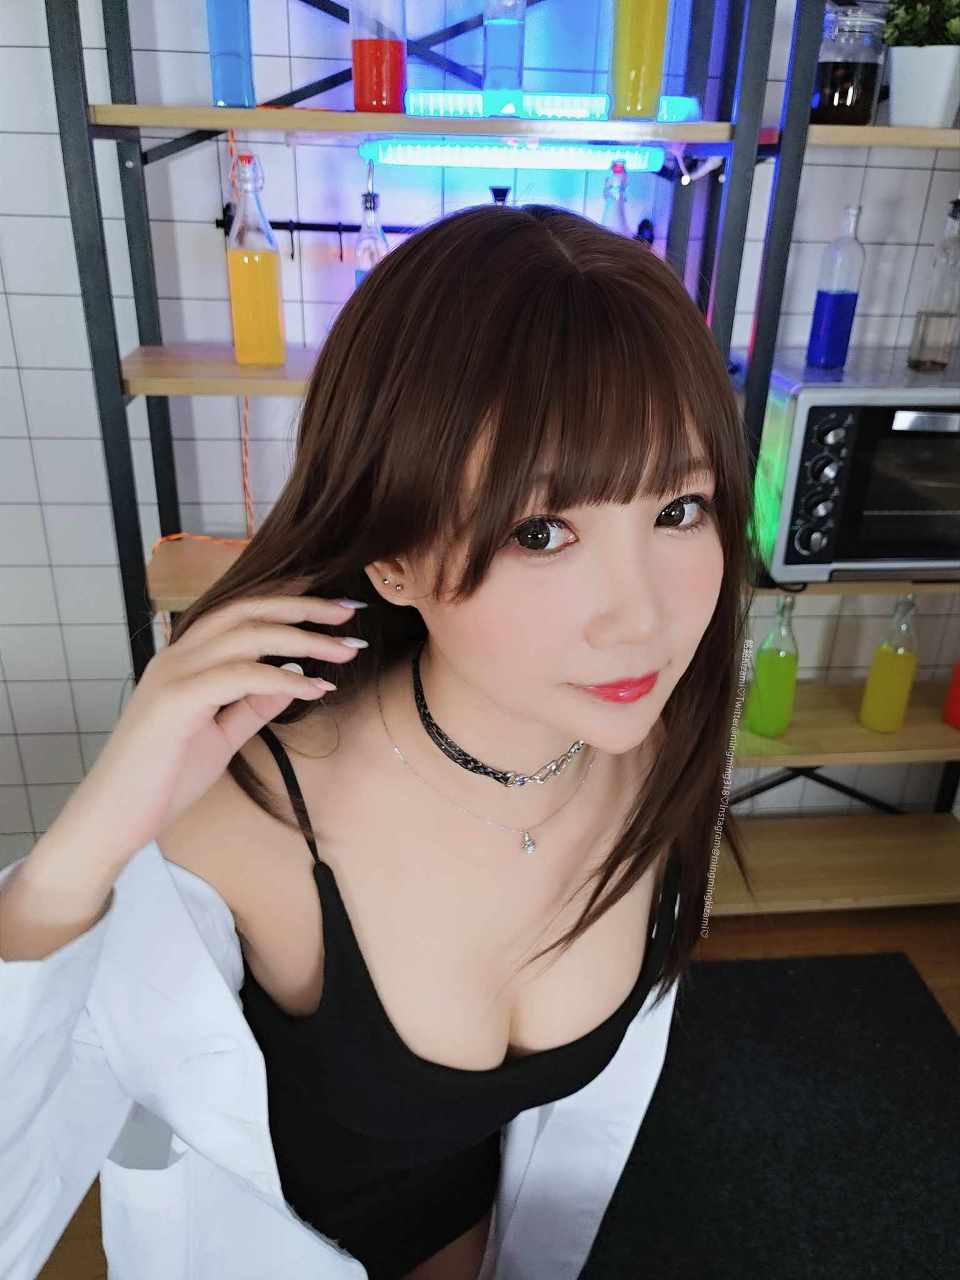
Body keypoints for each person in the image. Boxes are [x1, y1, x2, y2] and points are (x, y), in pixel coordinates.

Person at [0, 204, 757, 1280]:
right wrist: (83, 853)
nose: (642, 616)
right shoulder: (247, 815)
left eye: (679, 509)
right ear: (393, 559)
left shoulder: (659, 747)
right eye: (542, 530)